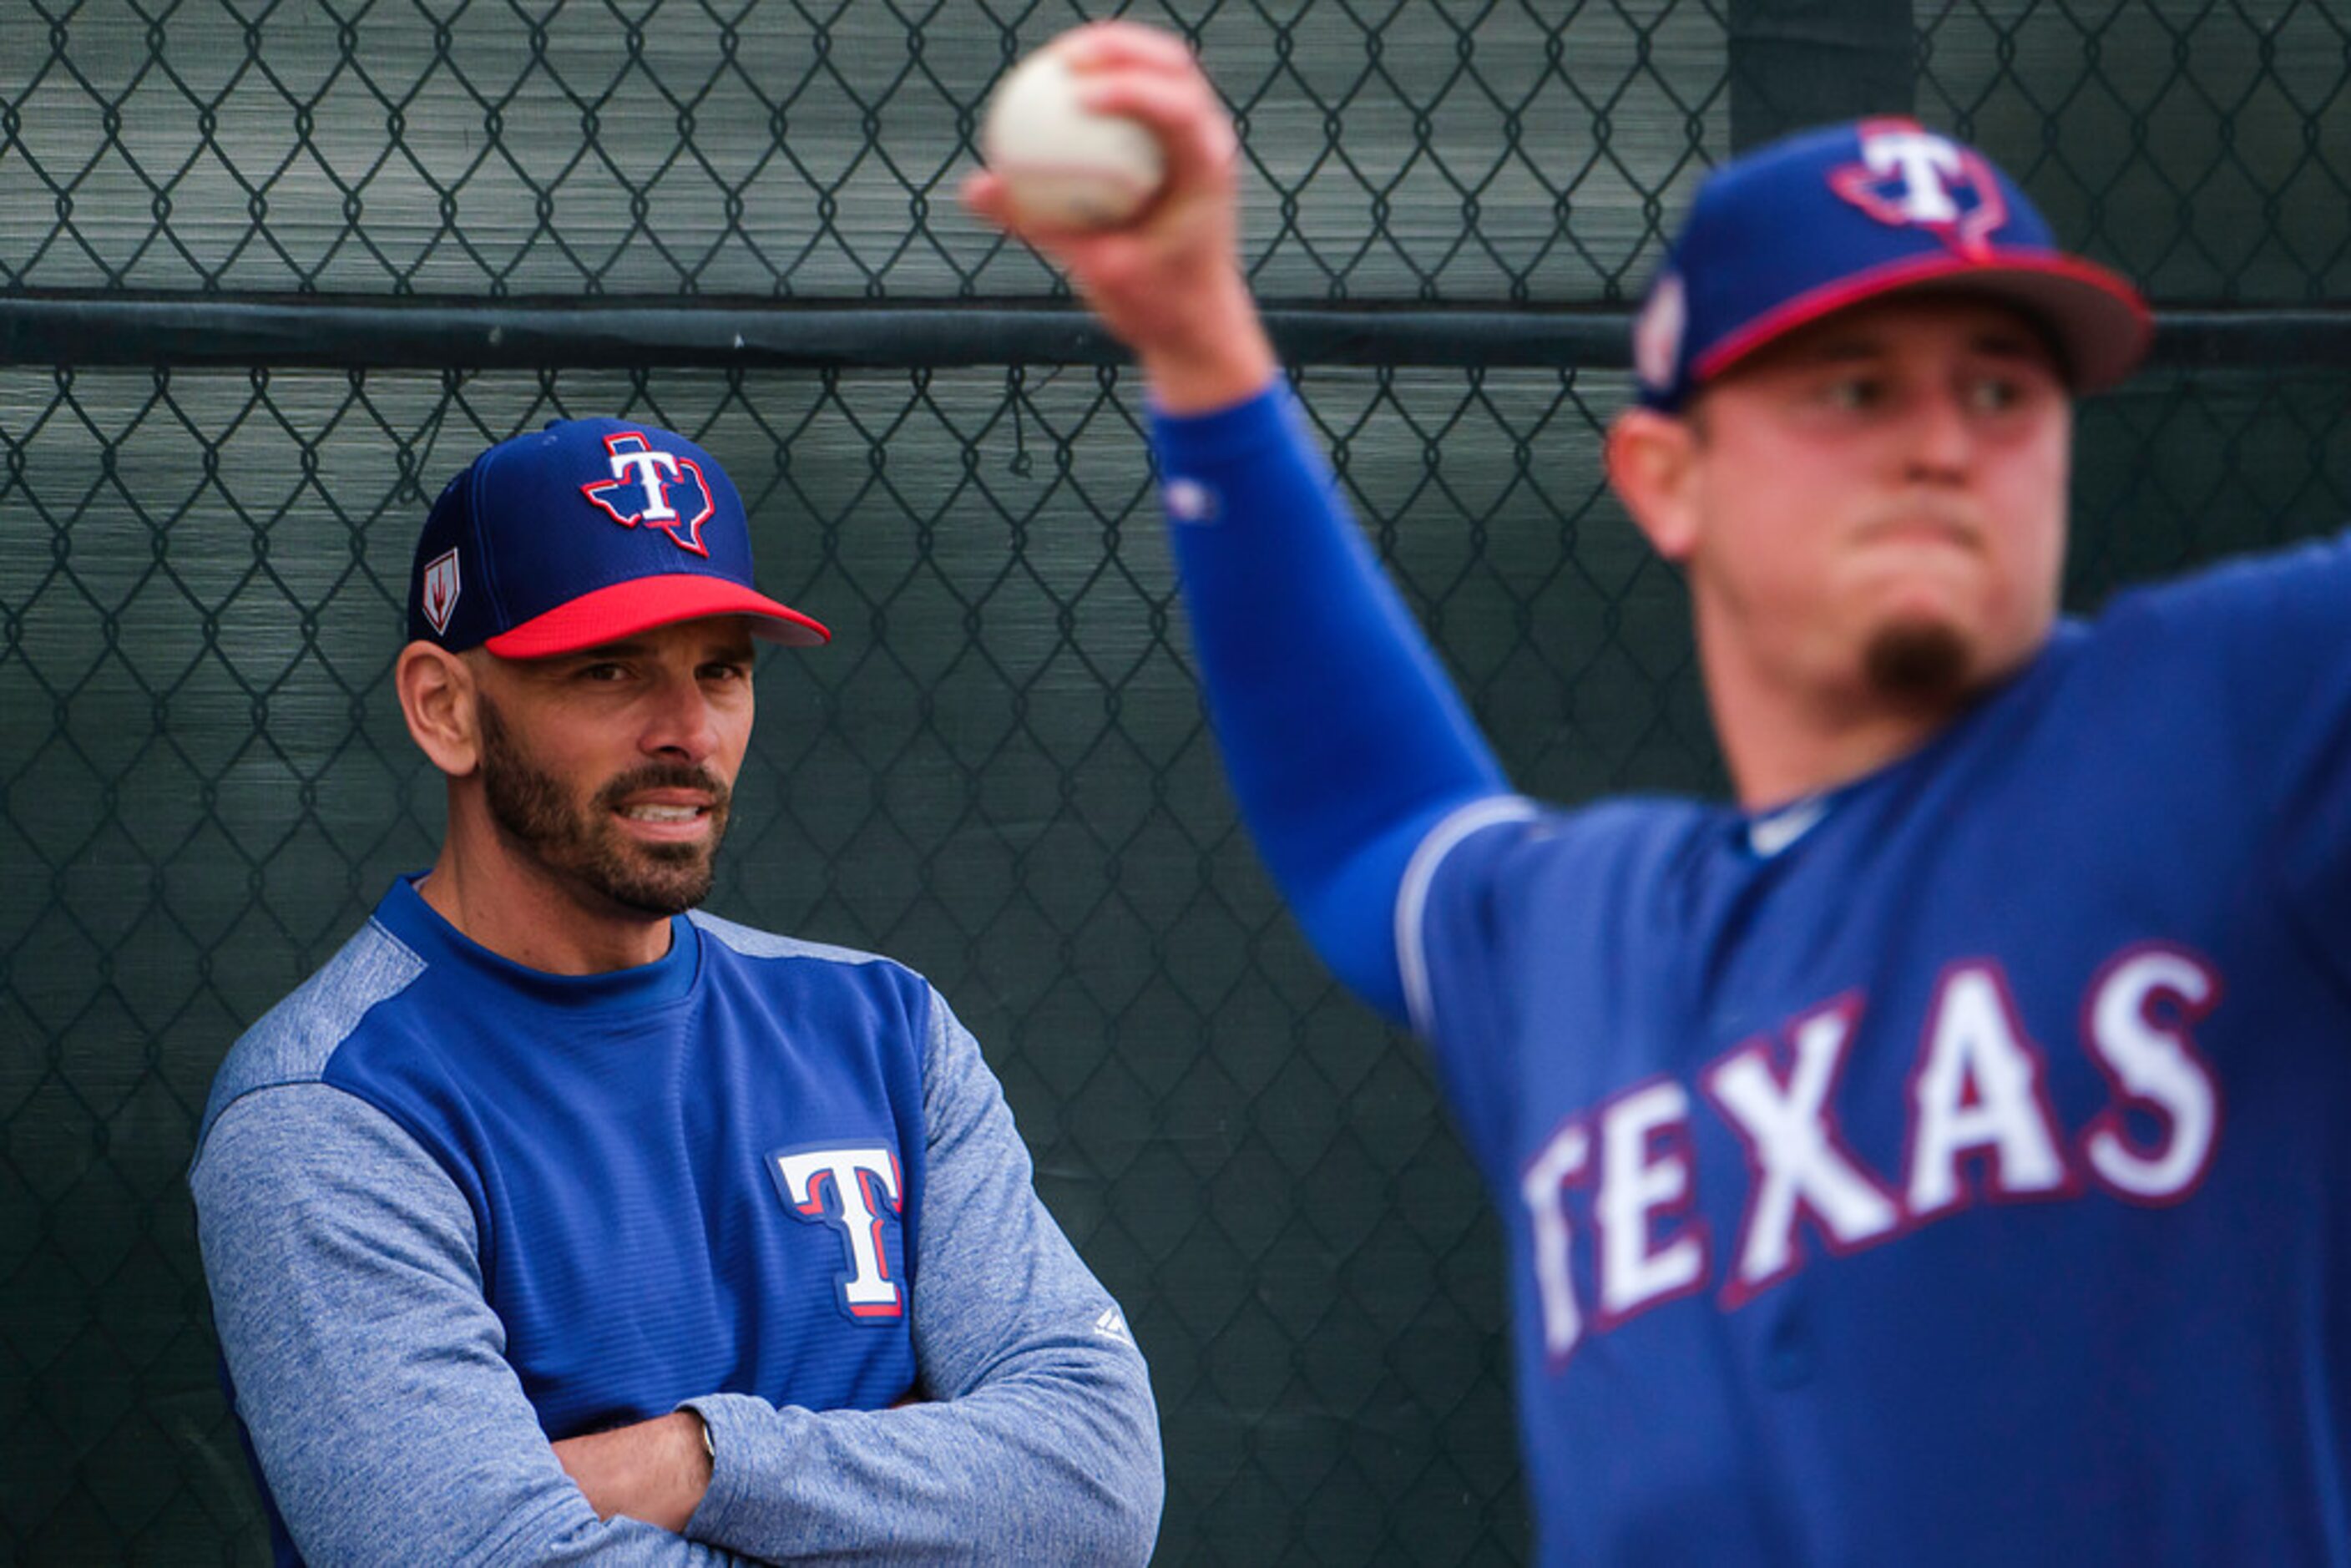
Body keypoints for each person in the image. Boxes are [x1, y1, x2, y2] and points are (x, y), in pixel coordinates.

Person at [965, 22, 2351, 1565]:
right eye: (1852, 387)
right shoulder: (1588, 936)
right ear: (1664, 476)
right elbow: (1369, 814)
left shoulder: (2241, 727)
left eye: (2003, 390)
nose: (1944, 443)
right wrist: (1199, 344)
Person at [189, 418, 1163, 1565]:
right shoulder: (333, 1109)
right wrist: (924, 1488)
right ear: (445, 706)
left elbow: (1095, 1482)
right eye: (608, 669)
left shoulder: (888, 1033)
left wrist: (691, 1460)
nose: (689, 733)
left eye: (722, 670)